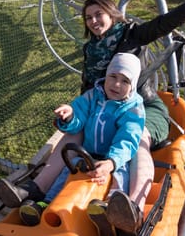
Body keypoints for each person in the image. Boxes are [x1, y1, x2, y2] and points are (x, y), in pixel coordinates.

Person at [0, 0, 185, 234]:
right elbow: (88, 93)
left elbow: (169, 21)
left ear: (111, 13)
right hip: (104, 106)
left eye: (98, 14)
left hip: (140, 106)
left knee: (139, 137)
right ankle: (34, 191)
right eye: (88, 18)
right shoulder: (91, 49)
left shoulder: (131, 35)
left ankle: (131, 204)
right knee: (72, 135)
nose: (94, 21)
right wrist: (71, 115)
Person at [18, 53, 145, 231]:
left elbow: (128, 139)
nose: (116, 84)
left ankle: (111, 211)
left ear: (132, 86)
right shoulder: (93, 96)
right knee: (67, 172)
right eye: (113, 77)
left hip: (113, 159)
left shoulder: (133, 108)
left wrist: (111, 162)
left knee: (120, 178)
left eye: (125, 81)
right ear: (106, 75)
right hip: (87, 152)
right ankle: (46, 204)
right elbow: (79, 115)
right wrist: (70, 116)